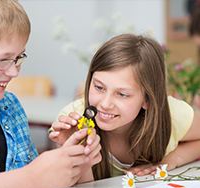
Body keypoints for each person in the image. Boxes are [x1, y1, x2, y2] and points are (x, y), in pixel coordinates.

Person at [0, 0, 101, 188]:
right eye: (2, 60)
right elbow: (31, 180)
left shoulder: (11, 107)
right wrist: (34, 178)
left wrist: (68, 158)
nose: (15, 72)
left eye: (18, 58)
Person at [49, 33, 200, 180]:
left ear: (147, 99)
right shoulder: (70, 120)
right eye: (99, 87)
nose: (105, 104)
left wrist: (173, 159)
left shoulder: (173, 114)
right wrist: (77, 152)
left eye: (122, 94)